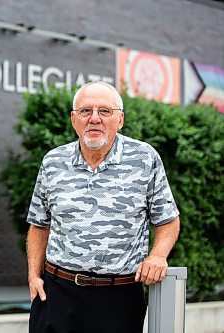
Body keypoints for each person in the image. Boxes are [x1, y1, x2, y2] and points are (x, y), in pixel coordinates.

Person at [26, 81, 180, 333]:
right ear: (74, 119)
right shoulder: (53, 161)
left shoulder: (144, 158)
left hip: (118, 298)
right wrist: (34, 275)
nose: (94, 119)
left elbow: (168, 220)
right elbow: (38, 224)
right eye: (86, 111)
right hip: (57, 293)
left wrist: (157, 256)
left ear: (120, 119)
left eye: (105, 111)